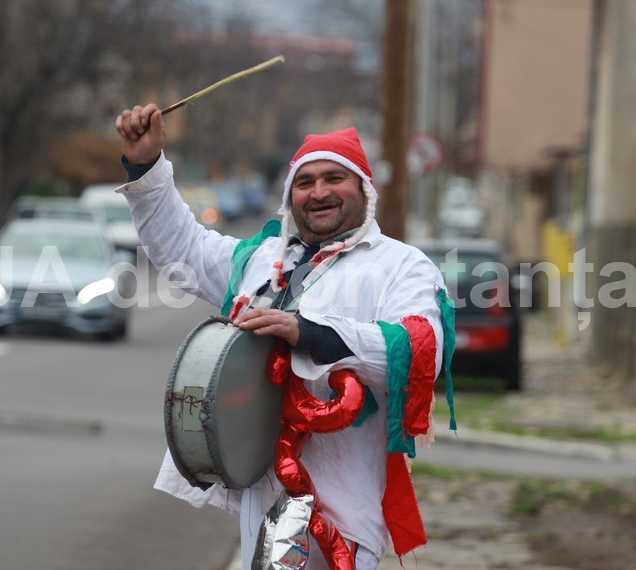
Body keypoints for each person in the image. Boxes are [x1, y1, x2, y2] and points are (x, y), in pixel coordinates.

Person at [114, 104, 456, 570]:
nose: (319, 192)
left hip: (344, 509)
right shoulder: (260, 261)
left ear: (363, 189)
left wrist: (309, 334)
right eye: (304, 181)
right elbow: (182, 248)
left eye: (334, 178)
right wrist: (146, 167)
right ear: (290, 195)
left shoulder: (400, 265)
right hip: (265, 496)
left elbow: (420, 351)